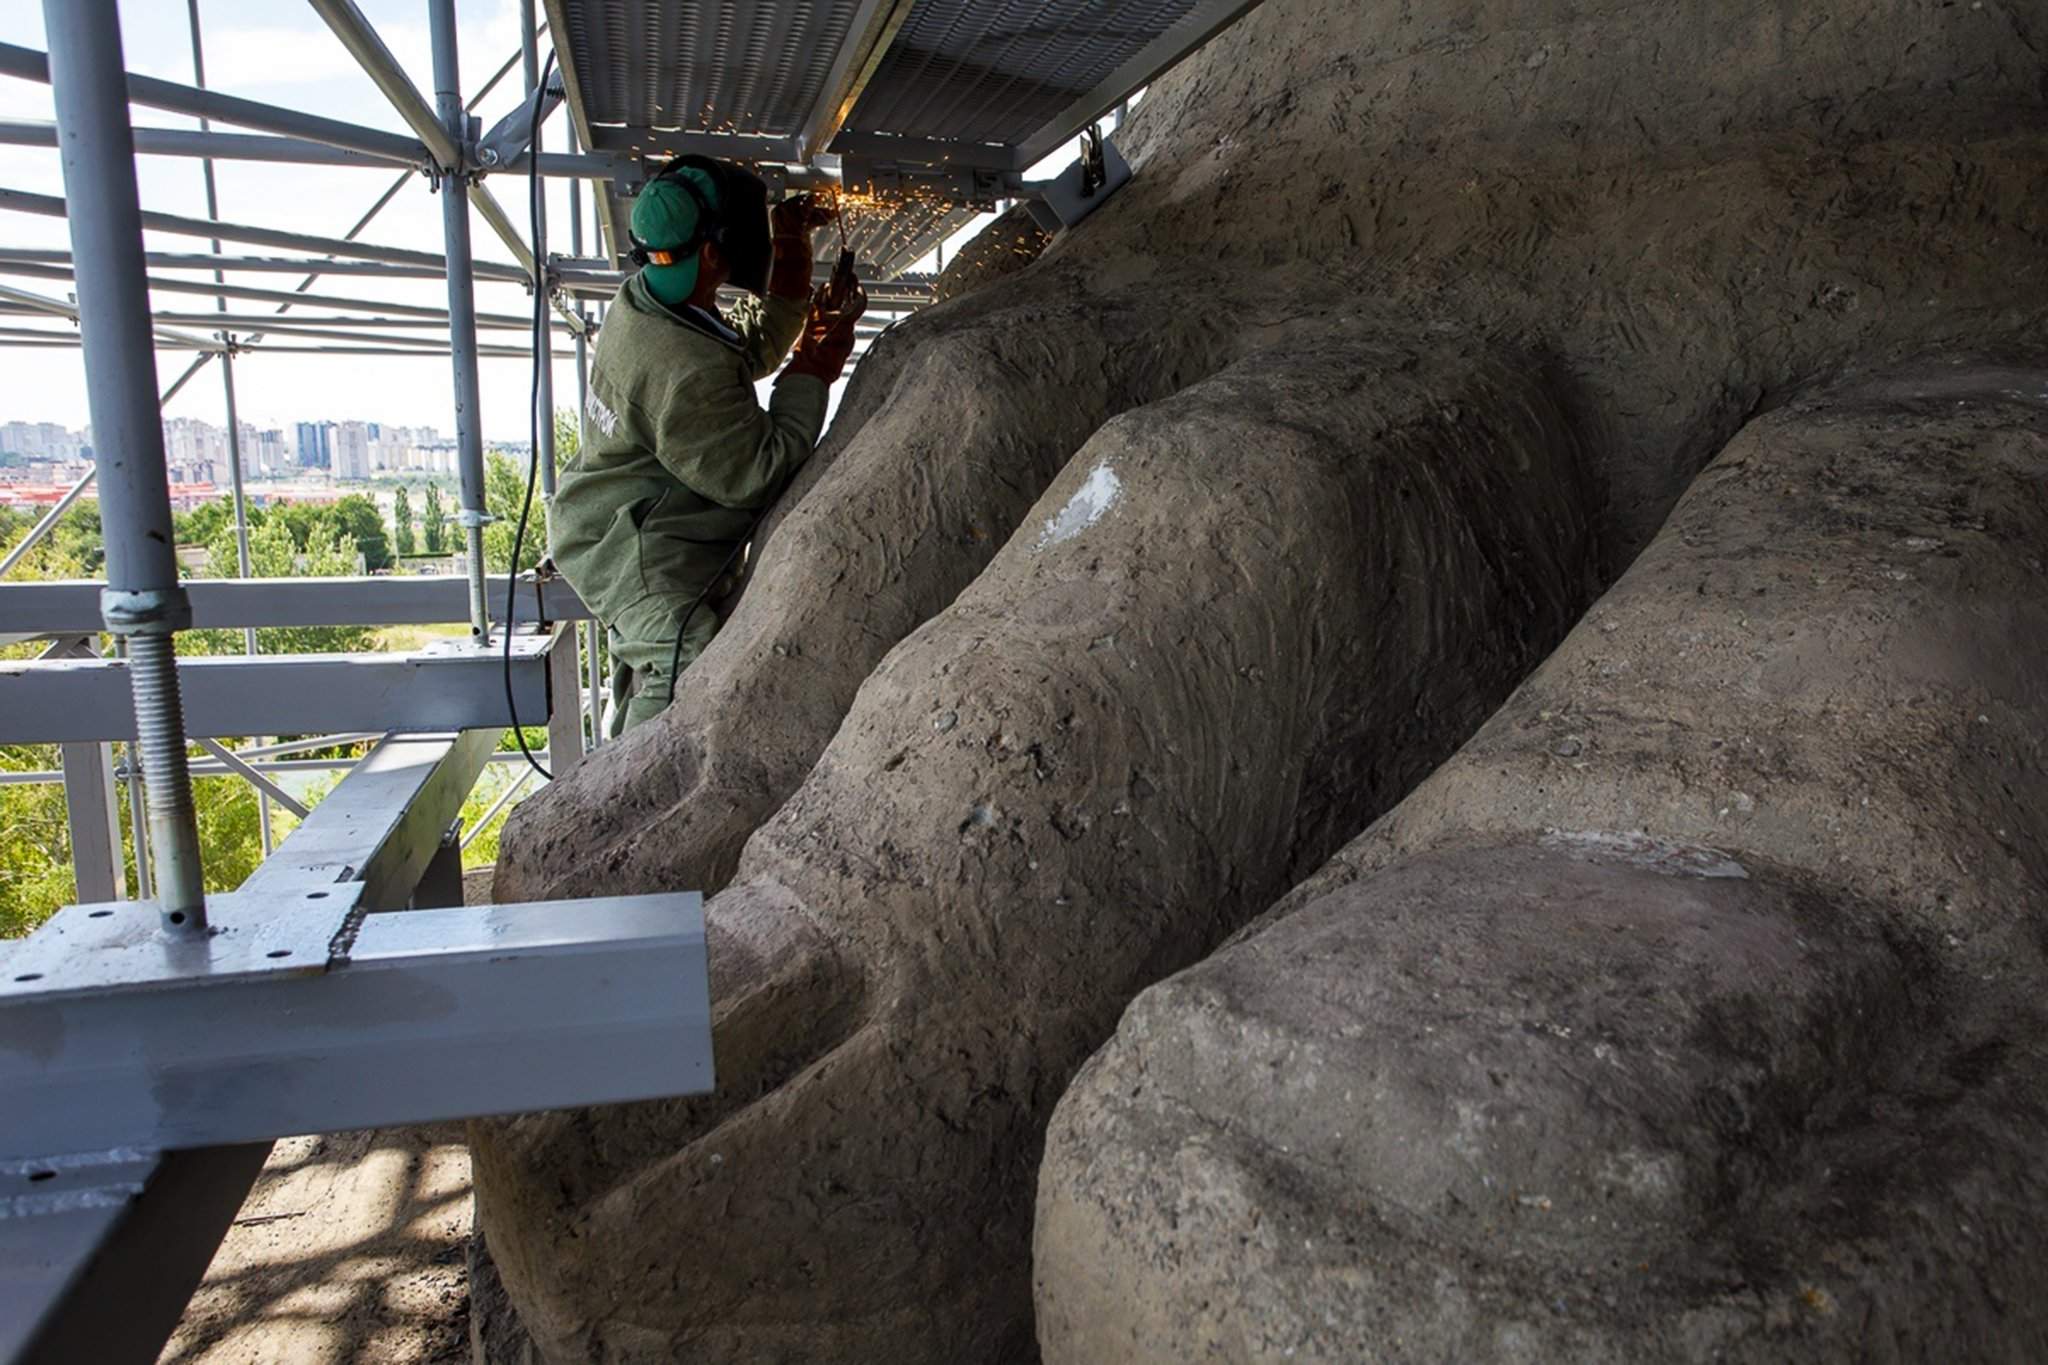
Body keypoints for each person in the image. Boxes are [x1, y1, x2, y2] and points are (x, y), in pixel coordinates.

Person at [550, 157, 865, 735]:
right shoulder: (678, 365)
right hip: (632, 547)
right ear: (716, 254)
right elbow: (761, 469)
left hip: (609, 515)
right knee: (680, 652)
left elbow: (745, 349)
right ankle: (618, 796)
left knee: (651, 657)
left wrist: (792, 246)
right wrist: (816, 363)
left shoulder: (649, 299)